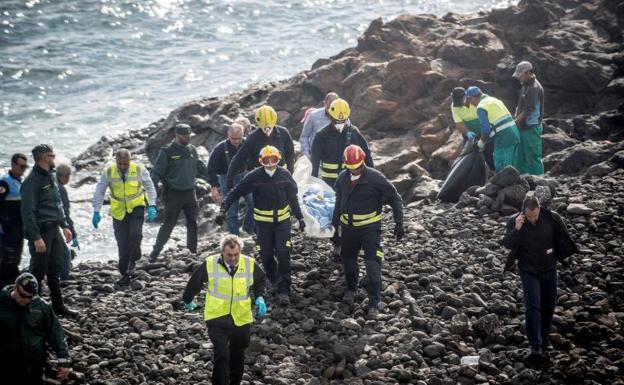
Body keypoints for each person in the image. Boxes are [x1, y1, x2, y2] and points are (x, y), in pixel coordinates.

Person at [217, 146, 304, 304]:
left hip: (282, 223)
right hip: (263, 224)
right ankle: (274, 281)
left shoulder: (285, 175)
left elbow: (293, 197)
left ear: (278, 159)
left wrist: (300, 217)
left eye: (274, 160)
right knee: (265, 254)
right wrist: (223, 210)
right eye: (266, 160)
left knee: (284, 252)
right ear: (260, 161)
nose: (270, 163)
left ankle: (284, 287)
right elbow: (235, 192)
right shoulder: (254, 176)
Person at [502, 194, 578, 366]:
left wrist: (566, 257)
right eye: (529, 216)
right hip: (528, 270)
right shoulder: (516, 220)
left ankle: (545, 340)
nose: (532, 219)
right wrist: (517, 229)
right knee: (533, 306)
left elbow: (563, 237)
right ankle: (535, 346)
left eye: (535, 215)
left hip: (549, 268)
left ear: (539, 208)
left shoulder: (552, 217)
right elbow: (506, 244)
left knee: (549, 305)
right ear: (524, 211)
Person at [182, 234, 267, 385]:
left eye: (236, 255)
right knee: (222, 355)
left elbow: (260, 280)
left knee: (237, 355)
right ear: (222, 252)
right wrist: (188, 299)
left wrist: (260, 297)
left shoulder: (249, 264)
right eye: (229, 255)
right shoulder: (210, 263)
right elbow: (195, 282)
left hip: (241, 318)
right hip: (217, 317)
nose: (233, 258)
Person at [332, 145, 404, 320]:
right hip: (348, 229)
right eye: (350, 167)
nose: (354, 170)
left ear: (362, 161)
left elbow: (394, 197)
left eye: (356, 166)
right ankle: (351, 288)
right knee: (348, 260)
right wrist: (335, 227)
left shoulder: (375, 178)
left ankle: (373, 302)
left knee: (372, 265)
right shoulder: (342, 178)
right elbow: (339, 200)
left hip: (369, 230)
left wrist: (399, 222)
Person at [21, 144, 77, 317]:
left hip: (54, 230)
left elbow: (57, 203)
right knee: (38, 270)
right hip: (41, 232)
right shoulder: (31, 182)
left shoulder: (52, 176)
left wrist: (65, 225)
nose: (54, 158)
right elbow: (27, 212)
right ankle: (30, 308)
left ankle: (58, 306)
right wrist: (36, 237)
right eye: (52, 156)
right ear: (44, 158)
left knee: (55, 269)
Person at [92, 149, 158, 285]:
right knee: (122, 244)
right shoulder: (109, 172)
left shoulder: (139, 170)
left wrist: (152, 205)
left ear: (130, 160)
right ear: (116, 161)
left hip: (136, 207)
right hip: (118, 211)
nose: (122, 167)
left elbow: (150, 187)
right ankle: (125, 273)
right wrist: (96, 210)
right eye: (120, 164)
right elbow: (100, 191)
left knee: (135, 235)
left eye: (125, 164)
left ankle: (134, 258)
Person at [149, 124, 209, 262]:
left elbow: (201, 168)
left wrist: (213, 179)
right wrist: (152, 195)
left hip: (190, 193)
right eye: (184, 136)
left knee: (193, 223)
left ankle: (192, 251)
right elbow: (156, 173)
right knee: (168, 224)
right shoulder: (167, 152)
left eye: (189, 135)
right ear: (177, 135)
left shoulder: (193, 150)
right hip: (173, 194)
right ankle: (155, 252)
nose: (187, 138)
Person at [0, 273, 71, 385]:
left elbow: (55, 332)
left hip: (34, 365)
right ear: (15, 286)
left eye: (30, 297)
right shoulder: (2, 304)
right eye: (22, 295)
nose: (26, 300)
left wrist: (64, 362)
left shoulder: (42, 306)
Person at [225, 105, 295, 191]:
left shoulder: (283, 133)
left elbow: (290, 155)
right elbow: (239, 159)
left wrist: (290, 175)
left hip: (281, 177)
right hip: (261, 180)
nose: (267, 130)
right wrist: (229, 182)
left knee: (284, 202)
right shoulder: (253, 137)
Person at [311, 98, 374, 189]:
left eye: (343, 121)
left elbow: (366, 155)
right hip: (329, 183)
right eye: (337, 121)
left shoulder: (353, 132)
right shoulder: (322, 135)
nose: (339, 124)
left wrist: (372, 178)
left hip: (351, 180)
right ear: (330, 117)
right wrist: (313, 183)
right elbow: (315, 161)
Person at [207, 123, 254, 236]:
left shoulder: (247, 144)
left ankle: (247, 228)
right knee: (231, 212)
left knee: (255, 204)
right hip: (226, 180)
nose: (236, 141)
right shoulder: (220, 148)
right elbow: (211, 168)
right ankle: (235, 237)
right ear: (228, 135)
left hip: (245, 176)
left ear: (243, 134)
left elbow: (254, 160)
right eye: (233, 138)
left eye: (239, 138)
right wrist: (214, 188)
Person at [466, 86, 521, 173]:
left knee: (502, 166)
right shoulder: (494, 100)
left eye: (469, 100)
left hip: (504, 137)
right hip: (514, 132)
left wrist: (481, 142)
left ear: (472, 98)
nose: (471, 103)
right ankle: (515, 185)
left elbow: (486, 129)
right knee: (512, 165)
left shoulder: (481, 106)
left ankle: (506, 186)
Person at [0, 153, 28, 288]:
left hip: (18, 229)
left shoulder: (21, 182)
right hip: (7, 230)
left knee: (16, 259)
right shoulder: (4, 182)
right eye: (21, 166)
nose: (23, 170)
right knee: (7, 261)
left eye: (25, 167)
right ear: (13, 165)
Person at [513, 61, 545, 176]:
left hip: (531, 127)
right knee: (520, 155)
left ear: (528, 73)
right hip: (523, 126)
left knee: (533, 155)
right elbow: (521, 105)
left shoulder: (534, 88)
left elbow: (528, 110)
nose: (519, 77)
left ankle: (539, 182)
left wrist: (514, 122)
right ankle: (524, 179)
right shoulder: (525, 86)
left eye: (520, 75)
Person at [451, 87, 495, 169]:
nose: (458, 104)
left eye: (460, 101)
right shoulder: (454, 106)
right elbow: (459, 123)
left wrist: (484, 135)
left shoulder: (475, 100)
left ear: (466, 96)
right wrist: (467, 133)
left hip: (485, 131)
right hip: (470, 134)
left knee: (489, 153)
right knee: (468, 155)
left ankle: (494, 171)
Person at [56, 164, 78, 281]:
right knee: (66, 254)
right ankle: (64, 280)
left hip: (39, 224)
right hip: (52, 225)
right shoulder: (60, 189)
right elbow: (65, 213)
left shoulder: (48, 183)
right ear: (65, 176)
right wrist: (73, 234)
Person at [299, 92, 339, 159]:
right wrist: (307, 155)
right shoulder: (313, 116)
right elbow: (304, 137)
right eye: (329, 107)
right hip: (316, 158)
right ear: (324, 103)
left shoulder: (342, 117)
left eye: (333, 108)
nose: (331, 111)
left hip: (336, 159)